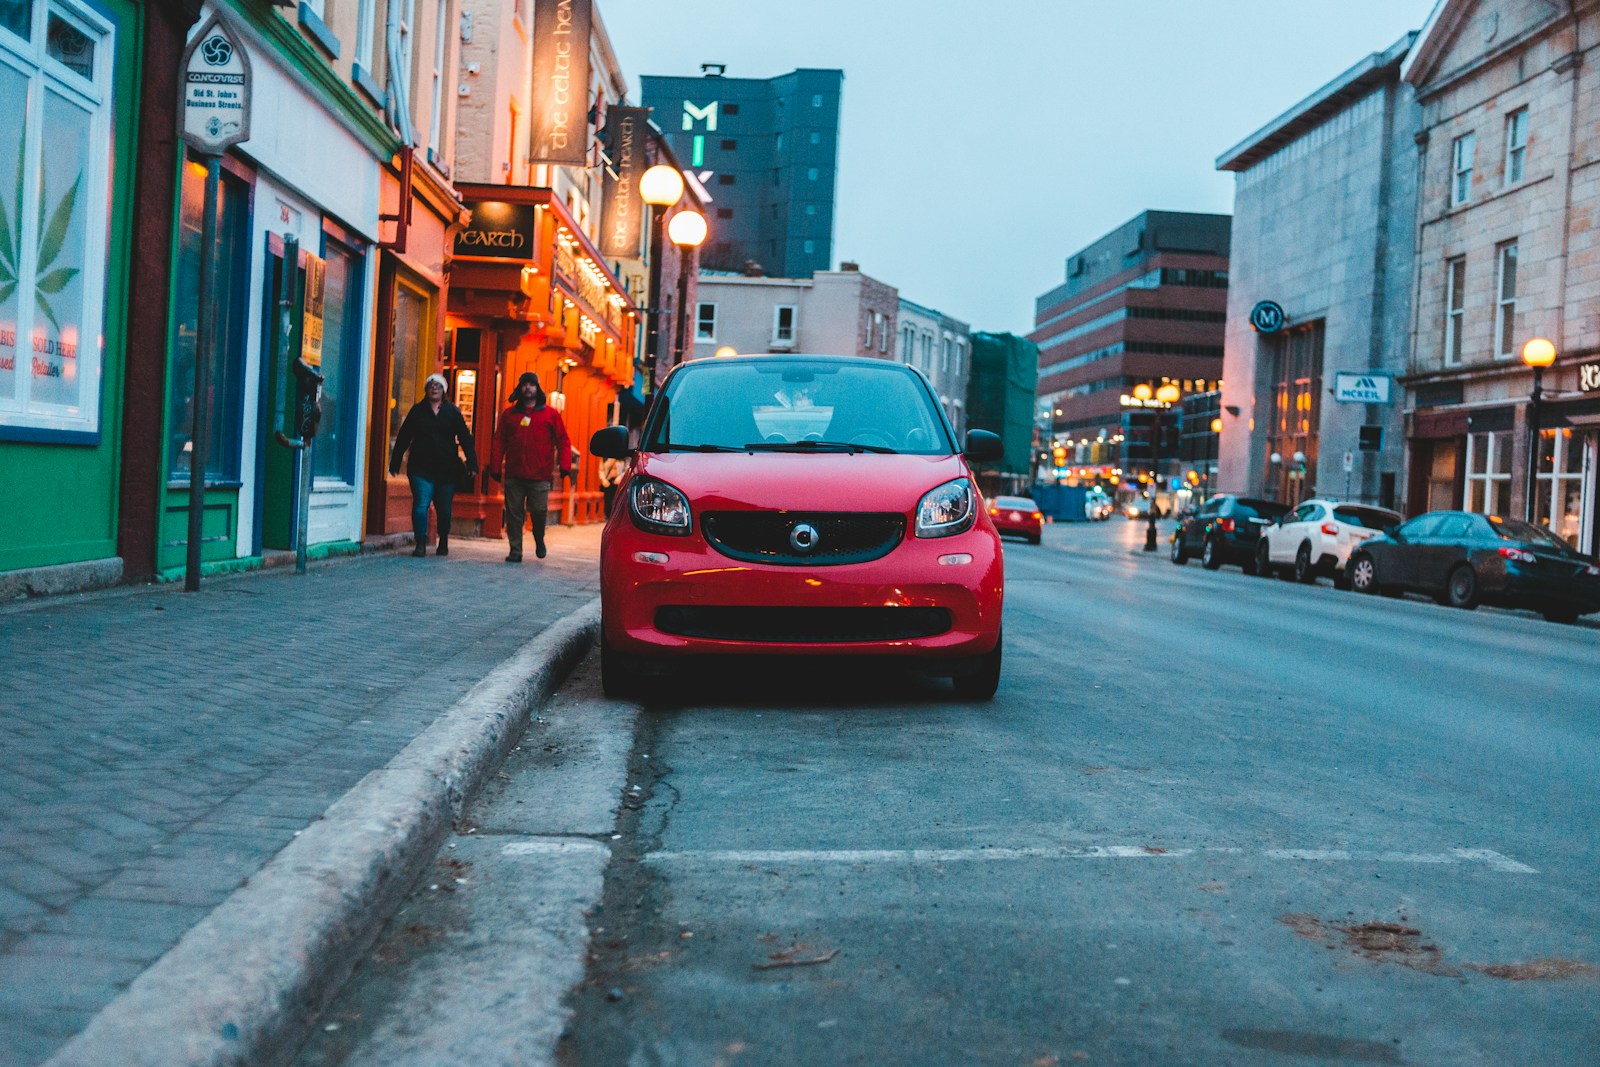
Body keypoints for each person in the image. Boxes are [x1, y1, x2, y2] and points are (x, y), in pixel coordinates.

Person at [389, 373, 477, 557]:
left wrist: (472, 463)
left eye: (438, 385)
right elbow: (404, 436)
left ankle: (443, 540)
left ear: (444, 390)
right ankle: (420, 542)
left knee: (444, 510)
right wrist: (395, 461)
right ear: (426, 389)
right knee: (421, 505)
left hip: (446, 469)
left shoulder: (453, 412)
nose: (434, 388)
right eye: (431, 385)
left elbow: (465, 438)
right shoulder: (417, 411)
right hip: (421, 467)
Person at [489, 372, 572, 562]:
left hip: (540, 475)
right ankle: (515, 551)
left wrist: (564, 465)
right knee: (514, 514)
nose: (528, 388)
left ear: (538, 388)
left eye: (531, 385)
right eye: (524, 385)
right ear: (520, 388)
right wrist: (495, 466)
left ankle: (539, 538)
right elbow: (498, 441)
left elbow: (563, 441)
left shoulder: (550, 414)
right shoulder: (509, 415)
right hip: (514, 473)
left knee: (538, 510)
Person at [598, 454, 624, 518]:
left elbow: (627, 469)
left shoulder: (623, 458)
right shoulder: (605, 458)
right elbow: (601, 470)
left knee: (617, 500)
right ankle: (608, 516)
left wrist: (620, 477)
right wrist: (603, 479)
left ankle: (616, 517)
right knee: (607, 500)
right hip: (608, 481)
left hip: (618, 482)